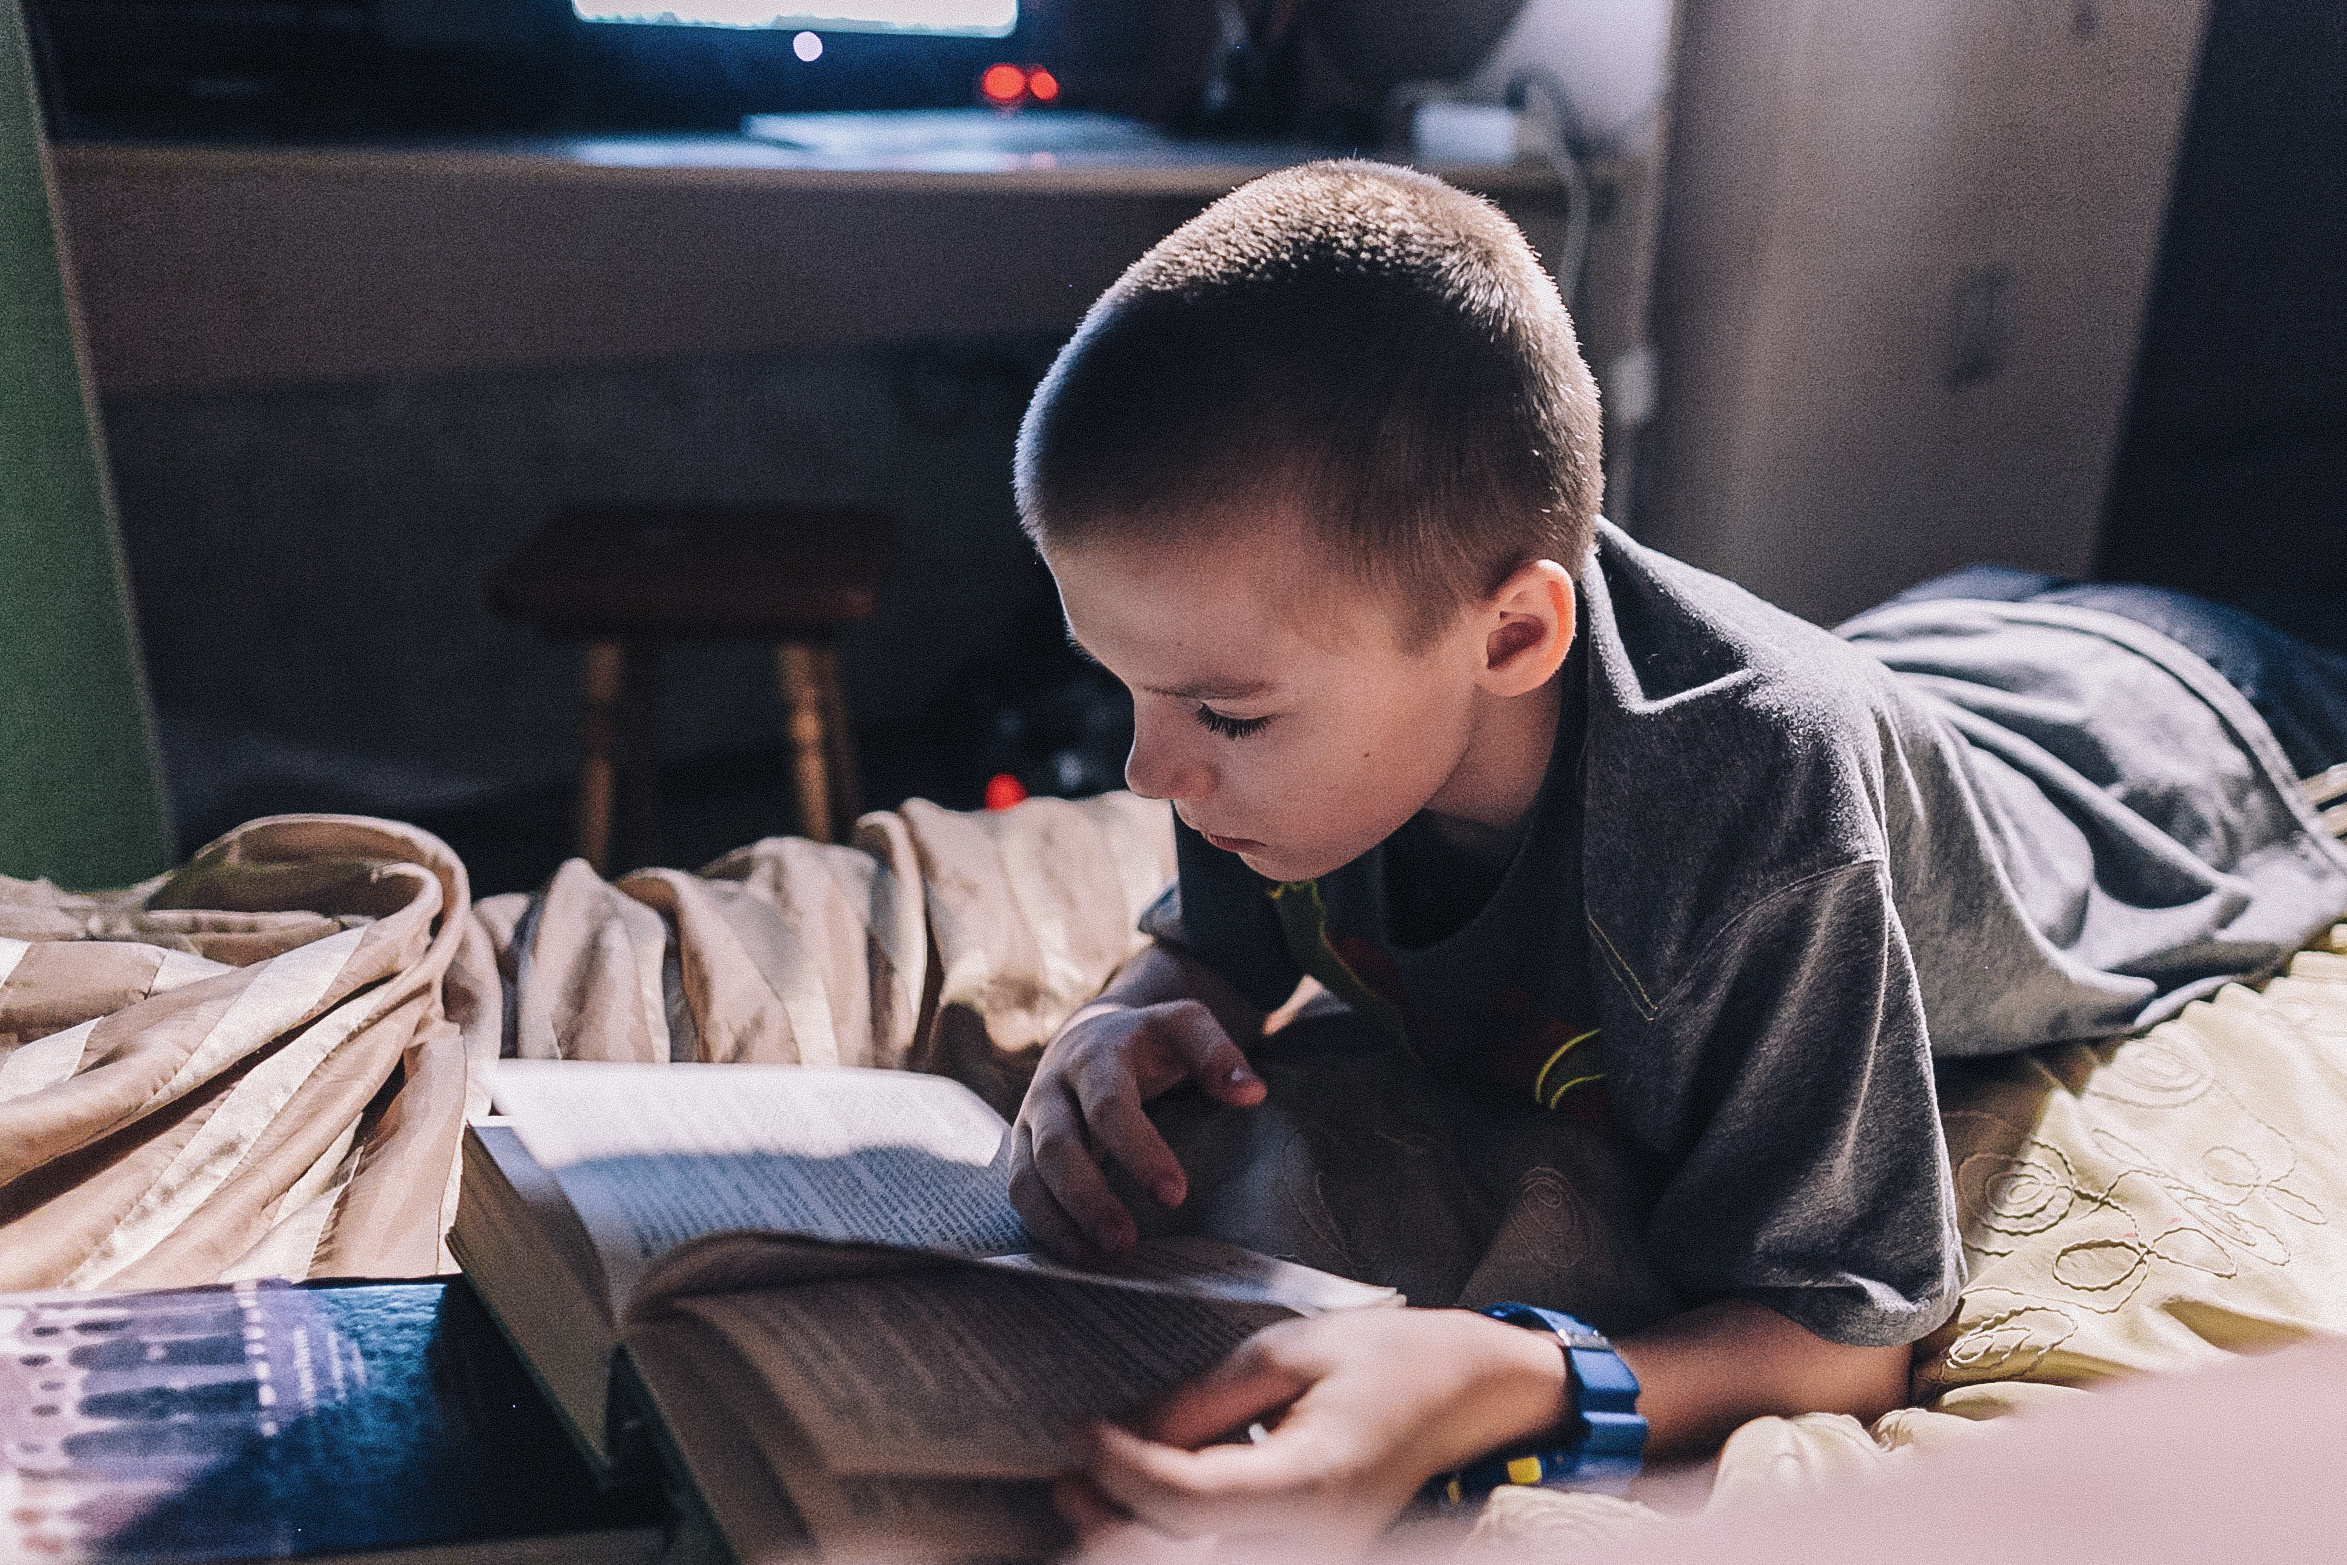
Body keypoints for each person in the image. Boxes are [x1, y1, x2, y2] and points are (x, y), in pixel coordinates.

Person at [1002, 159, 2347, 1554]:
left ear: (1514, 636)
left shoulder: (1755, 817)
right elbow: (1214, 951)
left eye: (1222, 711)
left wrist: (1502, 1375)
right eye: (1127, 688)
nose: (1149, 768)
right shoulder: (1254, 726)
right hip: (1941, 650)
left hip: (2179, 719)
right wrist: (1117, 1023)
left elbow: (1844, 1329)